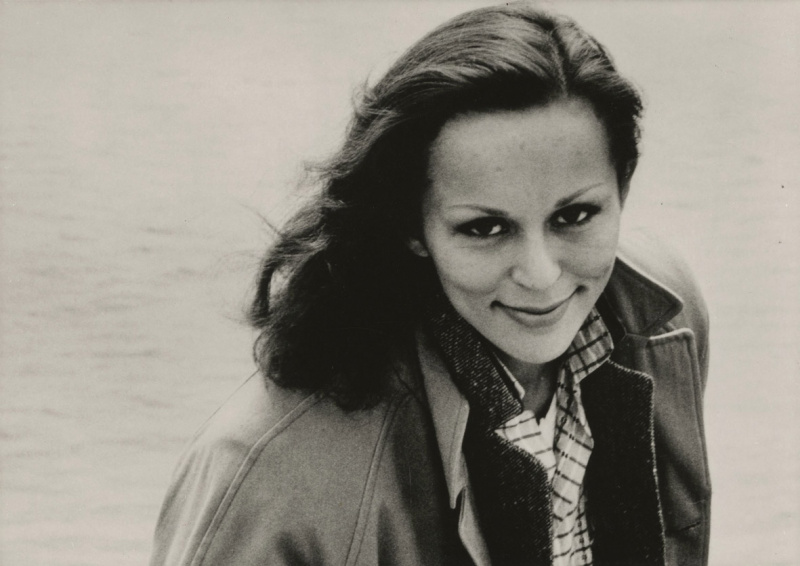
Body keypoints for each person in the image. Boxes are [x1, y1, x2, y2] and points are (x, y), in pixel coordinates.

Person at [150, 3, 711, 565]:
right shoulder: (267, 469)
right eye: (485, 228)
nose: (541, 275)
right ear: (411, 228)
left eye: (575, 216)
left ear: (622, 190)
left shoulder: (665, 316)